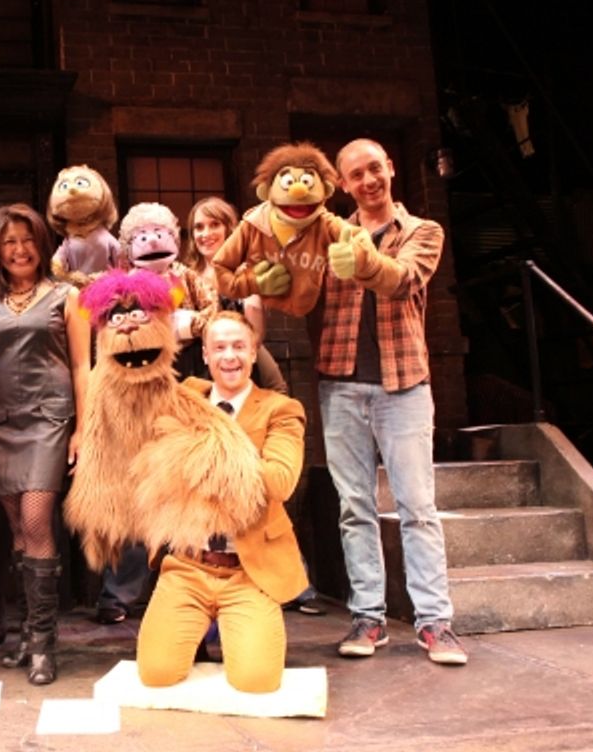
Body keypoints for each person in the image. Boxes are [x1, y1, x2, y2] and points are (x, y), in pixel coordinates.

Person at [317, 138, 466, 665]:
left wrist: (356, 257)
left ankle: (435, 622)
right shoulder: (329, 234)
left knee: (417, 508)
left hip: (404, 386)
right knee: (353, 507)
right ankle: (368, 617)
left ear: (391, 169)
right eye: (356, 174)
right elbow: (302, 290)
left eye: (374, 168)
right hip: (340, 383)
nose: (368, 180)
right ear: (343, 184)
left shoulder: (423, 231)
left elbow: (402, 280)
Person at [137, 311, 307, 693]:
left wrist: (211, 448)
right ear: (206, 354)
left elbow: (278, 482)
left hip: (248, 569)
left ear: (253, 352)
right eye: (219, 348)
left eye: (239, 347)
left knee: (256, 682)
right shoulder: (186, 399)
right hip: (188, 565)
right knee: (156, 673)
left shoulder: (280, 410)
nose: (229, 356)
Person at [0, 204, 90, 685]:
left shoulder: (67, 296)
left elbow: (81, 366)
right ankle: (26, 632)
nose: (19, 250)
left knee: (37, 520)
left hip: (48, 421)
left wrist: (83, 427)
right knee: (18, 529)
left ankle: (44, 643)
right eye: (8, 242)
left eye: (27, 239)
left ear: (41, 243)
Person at [178, 196, 284, 391]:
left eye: (214, 225)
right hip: (197, 366)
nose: (206, 233)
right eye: (199, 227)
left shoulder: (246, 270)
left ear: (229, 229)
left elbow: (256, 333)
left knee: (277, 391)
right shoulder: (185, 276)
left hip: (241, 361)